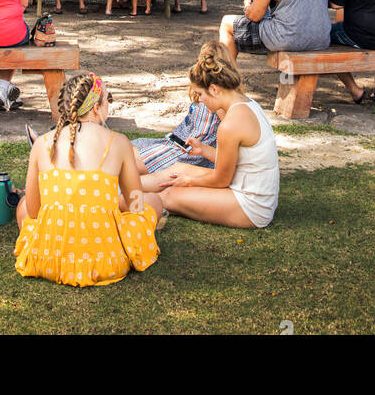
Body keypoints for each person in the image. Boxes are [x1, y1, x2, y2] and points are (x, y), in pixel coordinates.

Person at [15, 71, 163, 286]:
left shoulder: (42, 143)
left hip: (47, 258)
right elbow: (136, 205)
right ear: (96, 107)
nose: (108, 106)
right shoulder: (118, 142)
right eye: (107, 100)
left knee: (22, 206)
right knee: (154, 202)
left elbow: (34, 211)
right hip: (108, 261)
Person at [157, 43, 279, 229]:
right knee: (180, 169)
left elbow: (221, 180)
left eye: (200, 94)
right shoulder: (247, 103)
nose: (200, 100)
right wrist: (203, 150)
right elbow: (238, 162)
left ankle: (114, 204)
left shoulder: (230, 124)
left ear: (214, 89)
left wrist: (190, 182)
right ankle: (118, 191)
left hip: (251, 207)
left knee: (169, 195)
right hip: (247, 190)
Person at [133, 91, 220, 189]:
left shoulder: (210, 109)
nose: (199, 99)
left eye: (200, 93)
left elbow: (224, 176)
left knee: (130, 161)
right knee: (127, 149)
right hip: (181, 148)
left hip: (185, 156)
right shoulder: (213, 105)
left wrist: (192, 180)